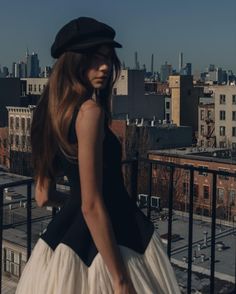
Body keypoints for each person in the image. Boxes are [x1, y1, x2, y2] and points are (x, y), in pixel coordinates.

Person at [16, 17, 180, 294]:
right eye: (95, 57)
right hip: (115, 237)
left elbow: (43, 195)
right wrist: (121, 281)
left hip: (64, 240)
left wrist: (75, 203)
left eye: (107, 58)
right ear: (74, 61)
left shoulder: (46, 112)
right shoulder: (89, 112)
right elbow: (92, 204)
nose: (104, 66)